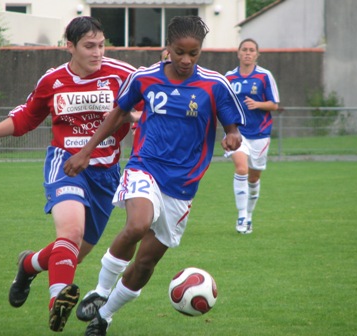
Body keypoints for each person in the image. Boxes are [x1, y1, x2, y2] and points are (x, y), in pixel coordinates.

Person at [0, 16, 141, 333]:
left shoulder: (123, 75)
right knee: (70, 234)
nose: (97, 52)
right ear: (70, 46)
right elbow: (25, 118)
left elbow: (149, 105)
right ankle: (57, 302)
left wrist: (138, 116)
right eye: (89, 46)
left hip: (106, 174)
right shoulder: (52, 80)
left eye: (102, 45)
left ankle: (28, 265)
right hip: (65, 164)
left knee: (73, 255)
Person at [63, 16, 245, 335]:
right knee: (137, 224)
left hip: (183, 186)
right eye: (179, 52)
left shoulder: (215, 84)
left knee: (146, 263)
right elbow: (119, 112)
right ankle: (101, 290)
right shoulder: (144, 78)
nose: (186, 60)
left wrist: (232, 137)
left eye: (194, 53)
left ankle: (104, 315)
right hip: (144, 166)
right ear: (168, 49)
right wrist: (87, 150)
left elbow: (232, 126)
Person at [225, 38, 280, 234]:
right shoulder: (229, 78)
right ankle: (241, 217)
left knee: (254, 176)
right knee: (241, 169)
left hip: (260, 134)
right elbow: (223, 104)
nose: (248, 53)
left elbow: (274, 104)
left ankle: (249, 216)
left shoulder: (265, 76)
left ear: (257, 54)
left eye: (251, 50)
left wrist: (258, 105)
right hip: (238, 133)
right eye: (244, 50)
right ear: (238, 53)